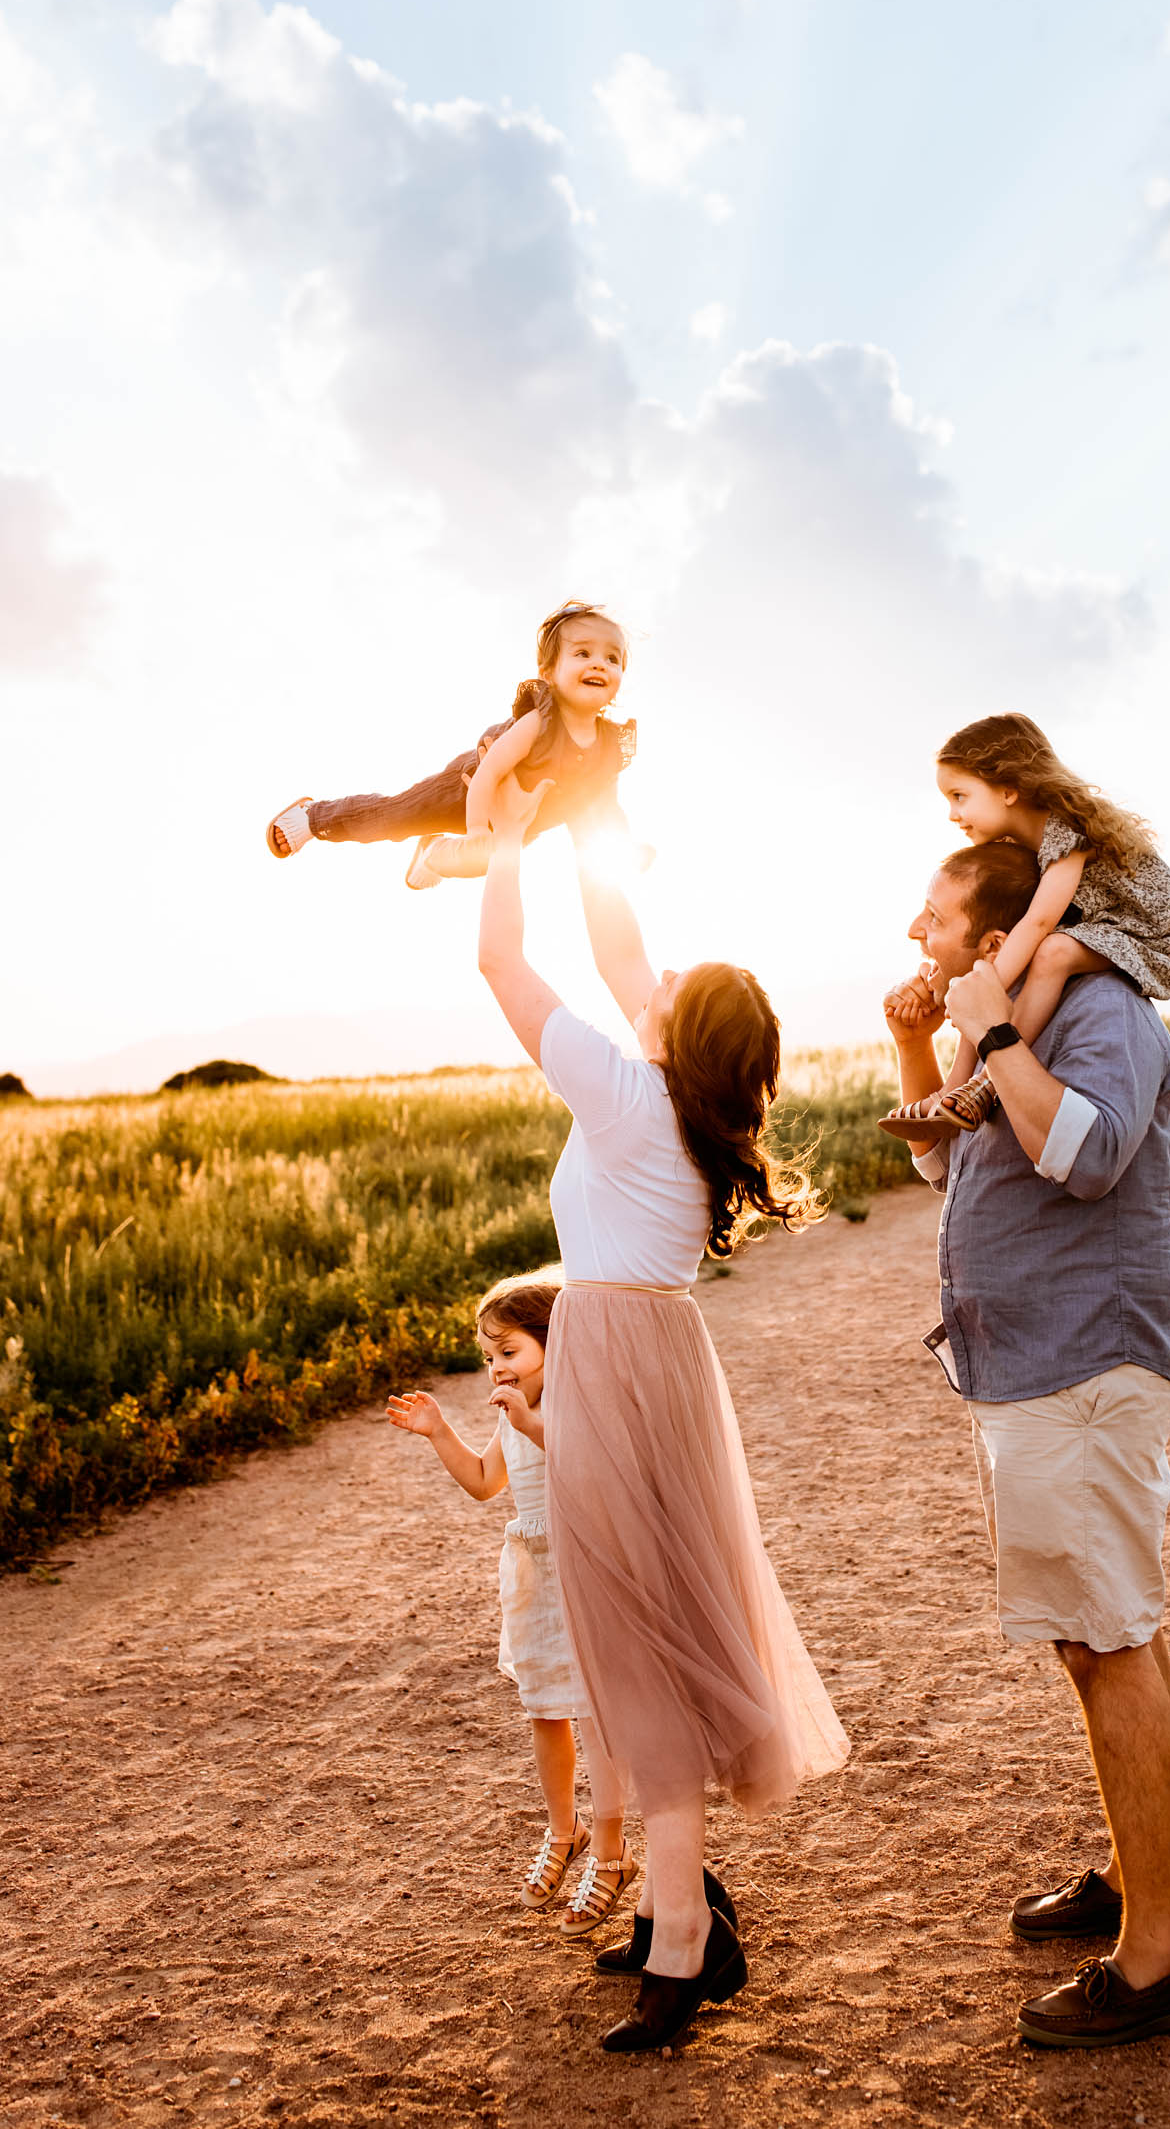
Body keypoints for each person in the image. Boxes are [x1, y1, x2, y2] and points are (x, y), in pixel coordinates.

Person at [473, 749, 849, 2053]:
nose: (654, 977)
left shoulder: (633, 1096)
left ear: (675, 1033)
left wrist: (504, 833)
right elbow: (626, 939)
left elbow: (504, 973)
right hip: (656, 1363)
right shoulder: (687, 1104)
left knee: (635, 1651)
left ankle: (684, 1936)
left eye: (670, 991)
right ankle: (684, 1913)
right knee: (648, 1638)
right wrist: (594, 813)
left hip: (618, 1369)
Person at [882, 838, 1170, 2051]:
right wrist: (924, 1039)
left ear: (989, 936)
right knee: (1100, 1630)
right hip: (1031, 1365)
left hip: (1083, 1361)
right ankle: (1146, 1878)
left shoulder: (1102, 1011)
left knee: (1107, 1634)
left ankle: (1156, 1960)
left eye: (931, 917)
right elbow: (941, 1159)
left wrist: (997, 1036)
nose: (912, 931)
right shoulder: (1007, 1020)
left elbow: (1082, 1159)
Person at [384, 1271, 637, 1938]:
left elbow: (590, 1462)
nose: (496, 1368)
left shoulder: (575, 1405)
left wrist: (532, 1420)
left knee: (599, 1712)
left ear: (556, 1347)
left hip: (590, 1566)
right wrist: (439, 1431)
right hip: (536, 1574)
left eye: (510, 1352)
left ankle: (612, 1852)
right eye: (488, 1356)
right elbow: (484, 1481)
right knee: (546, 1708)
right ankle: (566, 1831)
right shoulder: (510, 1415)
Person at [881, 713, 1170, 1139]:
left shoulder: (1066, 828)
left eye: (960, 796)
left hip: (1143, 930)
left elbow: (1040, 920)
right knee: (986, 980)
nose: (954, 814)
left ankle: (987, 1082)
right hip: (1098, 924)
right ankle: (955, 1089)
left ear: (1008, 789)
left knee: (1052, 953)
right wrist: (977, 985)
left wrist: (984, 988)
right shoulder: (1018, 844)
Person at [265, 599, 636, 892]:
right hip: (463, 792)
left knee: (491, 864)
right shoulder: (539, 722)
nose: (600, 665)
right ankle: (314, 818)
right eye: (583, 654)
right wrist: (476, 832)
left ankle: (432, 855)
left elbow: (606, 807)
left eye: (612, 658)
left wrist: (625, 850)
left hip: (516, 823)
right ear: (548, 673)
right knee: (392, 818)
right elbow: (489, 773)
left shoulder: (608, 747)